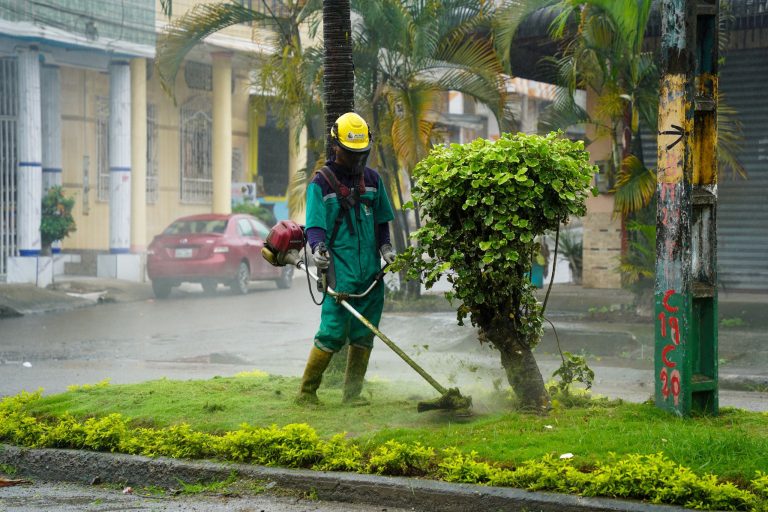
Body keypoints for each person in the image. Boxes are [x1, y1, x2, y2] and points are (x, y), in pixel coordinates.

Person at [297, 112, 395, 406]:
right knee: (332, 331)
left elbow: (381, 222)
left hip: (370, 274)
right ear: (336, 146)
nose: (356, 159)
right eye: (351, 153)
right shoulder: (321, 183)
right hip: (340, 272)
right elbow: (315, 225)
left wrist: (386, 247)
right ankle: (306, 392)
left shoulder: (373, 181)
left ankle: (352, 395)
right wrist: (318, 249)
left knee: (365, 333)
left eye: (361, 154)